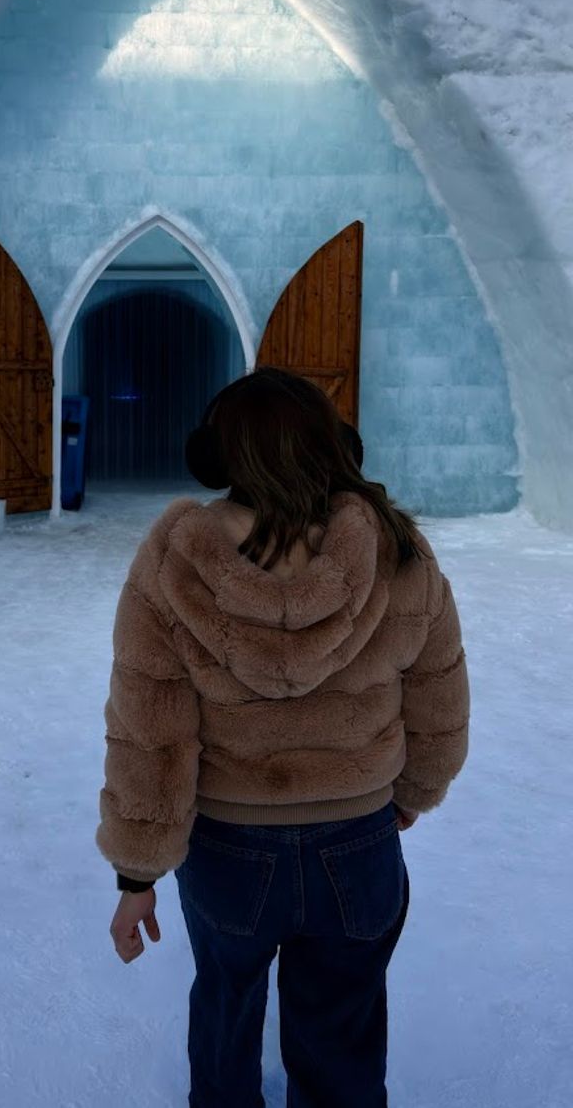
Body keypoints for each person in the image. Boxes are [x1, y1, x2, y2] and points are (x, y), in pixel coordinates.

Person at [96, 365, 470, 1108]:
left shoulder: (174, 561)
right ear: (336, 445)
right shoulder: (398, 550)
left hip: (228, 851)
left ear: (219, 456)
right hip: (358, 845)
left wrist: (137, 876)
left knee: (225, 1008)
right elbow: (440, 699)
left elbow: (149, 732)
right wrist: (413, 792)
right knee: (341, 1031)